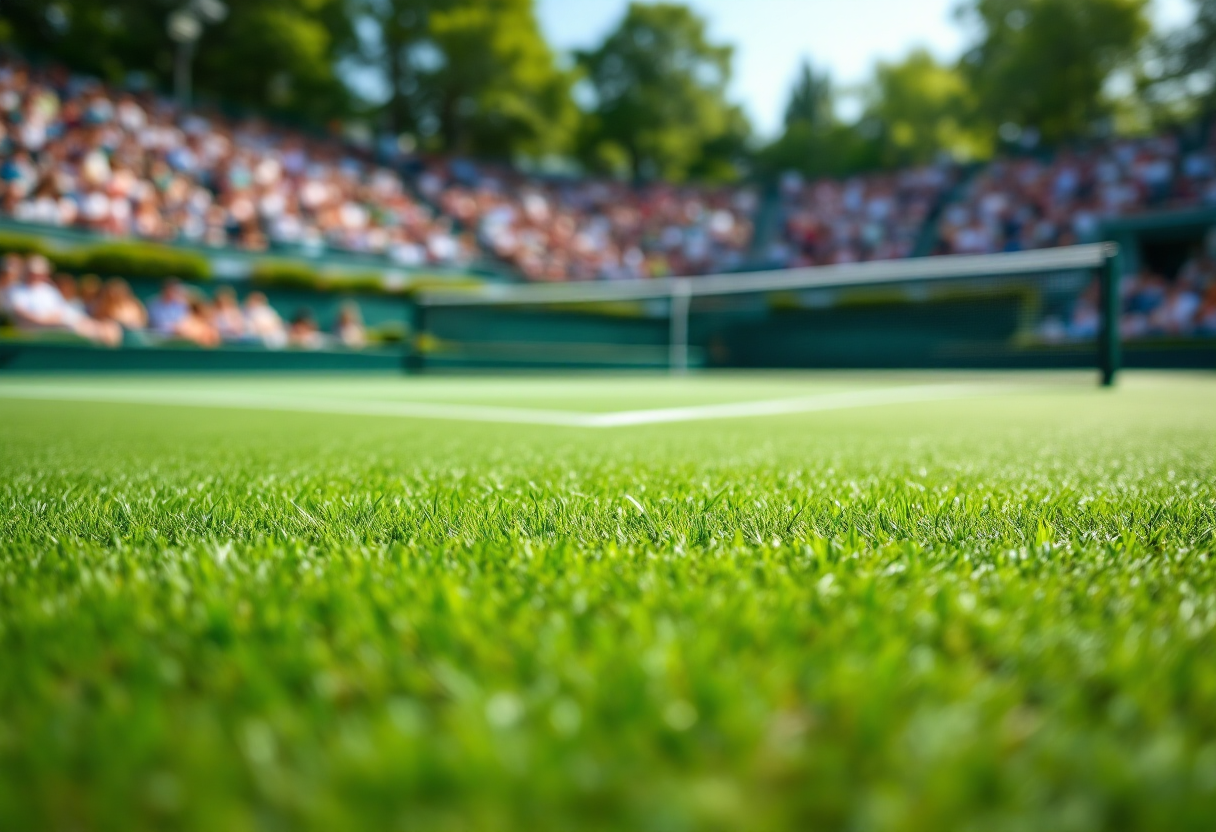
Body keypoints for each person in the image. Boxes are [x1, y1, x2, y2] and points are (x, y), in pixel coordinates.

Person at [6, 254, 120, 345]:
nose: (37, 276)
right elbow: (20, 313)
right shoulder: (16, 290)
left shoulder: (48, 289)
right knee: (86, 330)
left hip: (61, 320)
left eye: (40, 273)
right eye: (34, 273)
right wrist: (45, 321)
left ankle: (111, 360)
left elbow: (60, 309)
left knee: (110, 327)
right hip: (44, 326)